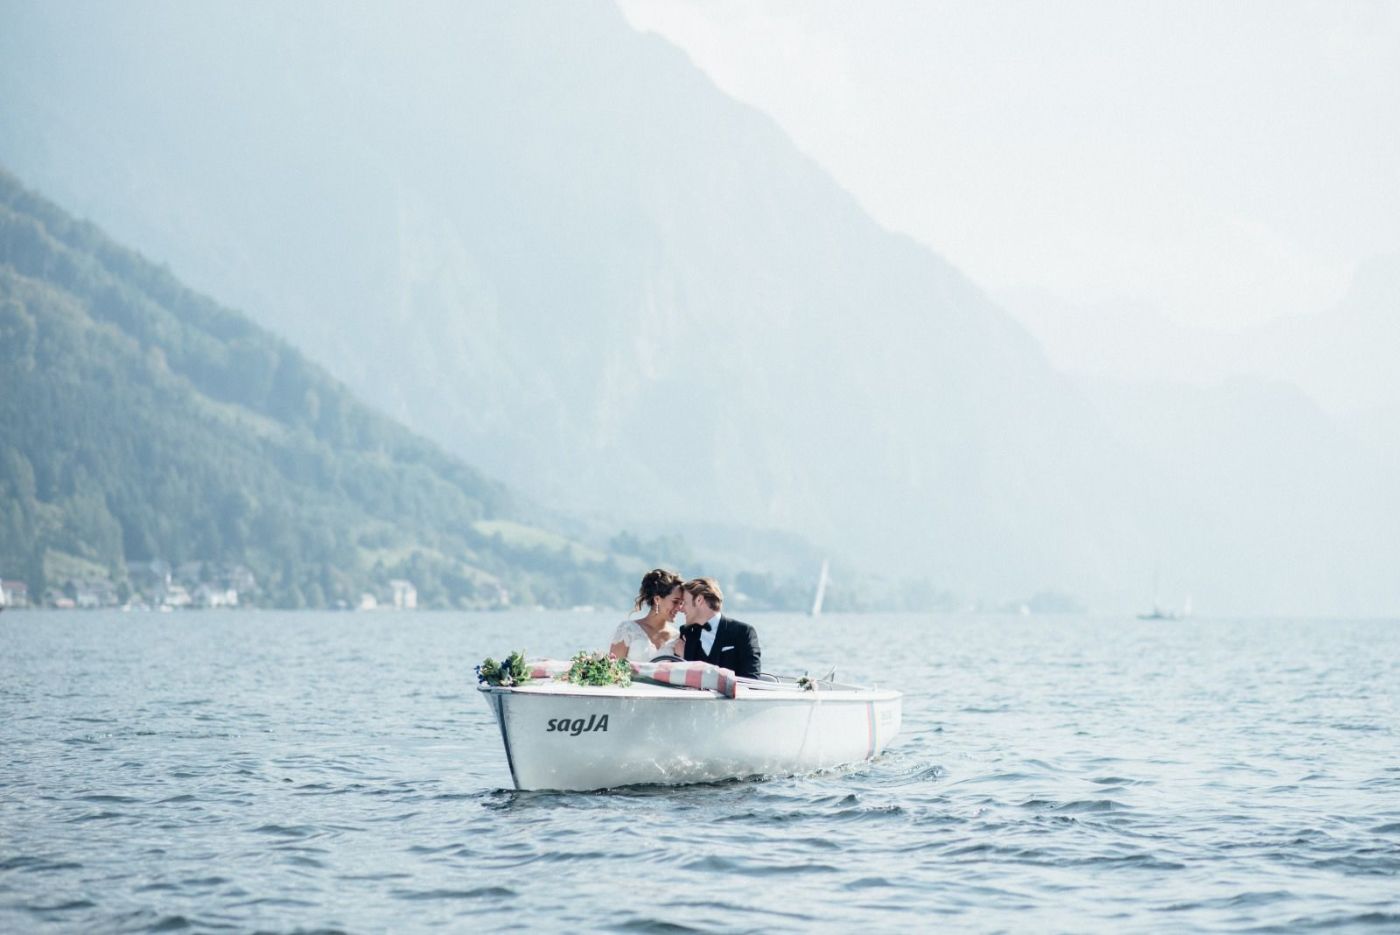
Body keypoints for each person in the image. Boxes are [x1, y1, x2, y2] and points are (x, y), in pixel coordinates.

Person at [676, 577, 761, 679]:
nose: (680, 609)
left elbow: (751, 679)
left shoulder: (743, 632)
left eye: (684, 603)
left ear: (699, 600)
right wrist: (683, 658)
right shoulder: (686, 634)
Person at [609, 568, 683, 662]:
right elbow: (613, 669)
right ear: (657, 599)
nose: (679, 608)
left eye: (681, 603)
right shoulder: (628, 630)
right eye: (675, 602)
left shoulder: (677, 637)